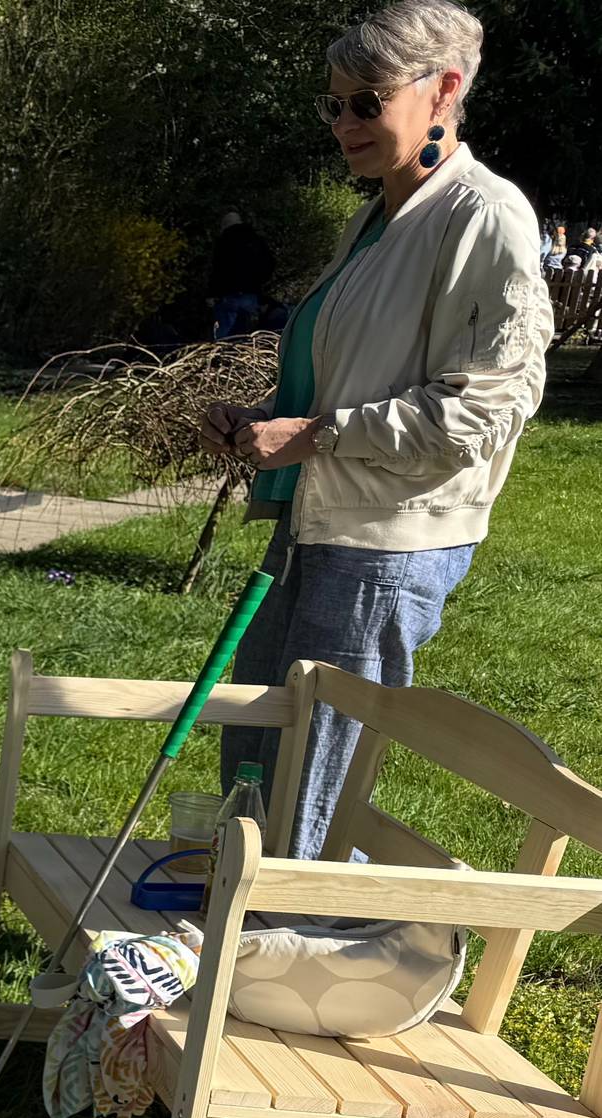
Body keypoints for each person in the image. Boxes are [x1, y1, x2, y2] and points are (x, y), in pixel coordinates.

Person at [202, 0, 549, 860]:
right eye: (334, 104)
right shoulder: (379, 217)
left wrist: (314, 437)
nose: (344, 123)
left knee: (308, 779)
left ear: (444, 91)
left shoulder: (483, 215)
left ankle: (295, 962)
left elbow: (485, 408)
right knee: (256, 753)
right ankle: (243, 950)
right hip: (312, 520)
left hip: (382, 546)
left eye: (367, 102)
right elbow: (350, 373)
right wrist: (262, 425)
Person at [207, 211, 277, 339]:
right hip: (251, 294)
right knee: (247, 334)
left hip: (227, 295)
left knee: (224, 336)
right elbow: (269, 264)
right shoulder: (256, 240)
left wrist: (212, 294)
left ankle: (224, 356)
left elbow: (217, 269)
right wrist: (258, 283)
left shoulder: (223, 242)